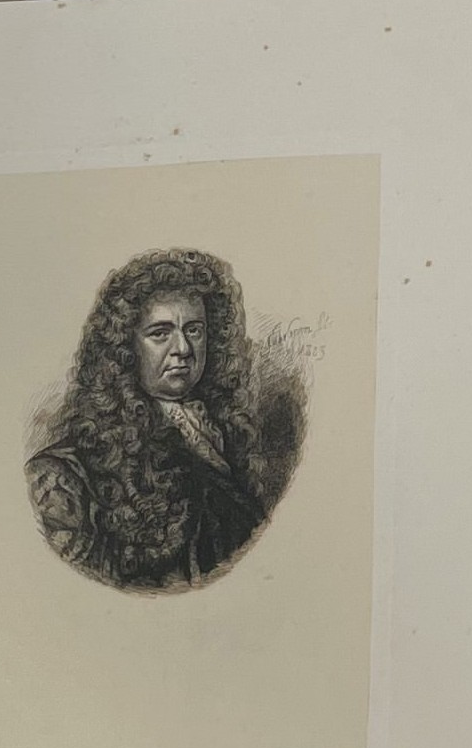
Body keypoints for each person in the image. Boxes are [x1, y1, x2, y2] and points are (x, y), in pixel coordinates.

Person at [27, 248, 291, 593]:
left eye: (194, 330)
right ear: (125, 348)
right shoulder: (62, 476)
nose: (183, 348)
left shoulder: (224, 437)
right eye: (160, 333)